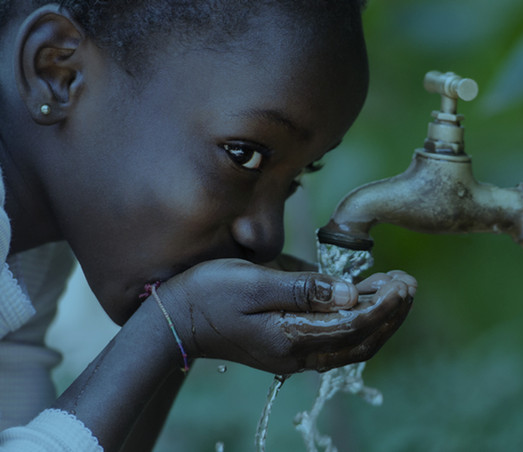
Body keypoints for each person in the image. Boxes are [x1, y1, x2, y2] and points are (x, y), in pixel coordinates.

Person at [0, 0, 417, 450]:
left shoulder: (31, 247)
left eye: (297, 177)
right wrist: (173, 326)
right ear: (58, 72)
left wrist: (182, 332)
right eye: (244, 155)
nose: (265, 236)